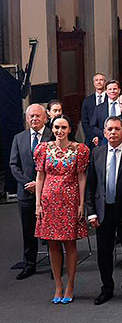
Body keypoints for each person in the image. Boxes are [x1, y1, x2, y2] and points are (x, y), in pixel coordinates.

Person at [86, 116, 122, 305]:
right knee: (104, 253)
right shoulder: (96, 153)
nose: (113, 132)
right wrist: (92, 212)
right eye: (109, 129)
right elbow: (90, 185)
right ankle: (107, 288)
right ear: (104, 132)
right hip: (103, 213)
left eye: (117, 129)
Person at [34, 115, 90, 304]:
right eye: (56, 127)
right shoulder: (43, 148)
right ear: (52, 128)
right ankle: (58, 285)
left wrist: (82, 203)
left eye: (63, 127)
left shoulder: (79, 150)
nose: (59, 131)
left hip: (71, 201)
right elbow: (40, 177)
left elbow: (82, 177)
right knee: (52, 244)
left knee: (70, 244)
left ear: (69, 129)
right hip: (49, 202)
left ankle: (70, 285)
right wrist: (38, 203)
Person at [9, 104, 52, 280]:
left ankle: (55, 264)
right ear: (26, 119)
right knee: (28, 231)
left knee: (51, 230)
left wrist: (41, 184)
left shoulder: (53, 135)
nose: (34, 119)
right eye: (31, 116)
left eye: (37, 116)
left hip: (49, 191)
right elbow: (14, 164)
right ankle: (29, 264)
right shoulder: (19, 138)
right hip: (26, 192)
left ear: (45, 118)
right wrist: (30, 183)